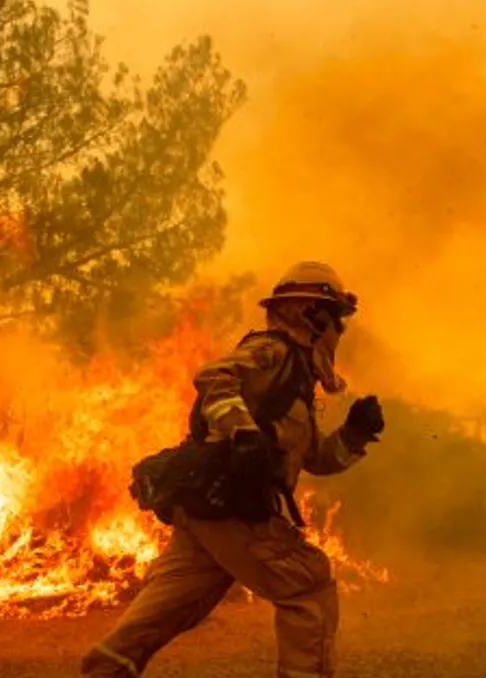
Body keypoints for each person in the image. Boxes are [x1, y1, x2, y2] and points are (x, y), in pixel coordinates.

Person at [81, 261, 386, 678]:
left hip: (208, 509)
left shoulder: (296, 379)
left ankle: (105, 670)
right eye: (336, 321)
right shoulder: (274, 351)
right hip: (231, 504)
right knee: (310, 586)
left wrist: (355, 435)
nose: (340, 333)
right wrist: (243, 434)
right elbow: (213, 377)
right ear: (310, 314)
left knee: (175, 603)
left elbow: (315, 459)